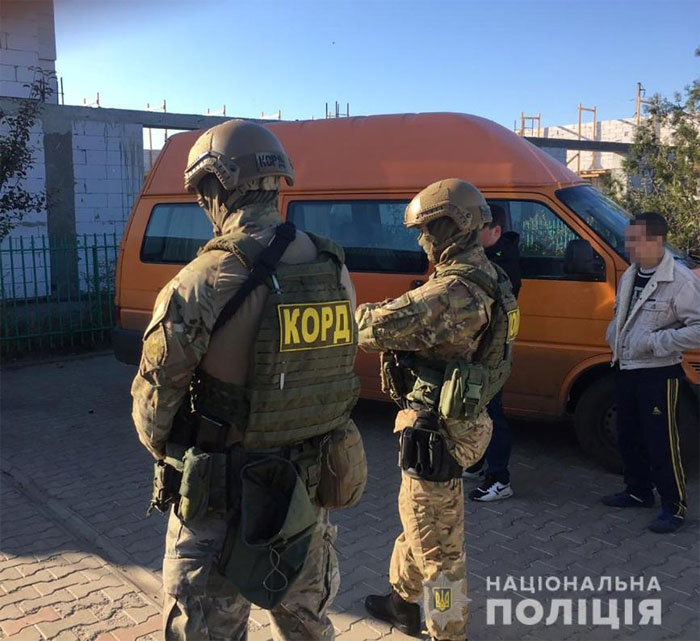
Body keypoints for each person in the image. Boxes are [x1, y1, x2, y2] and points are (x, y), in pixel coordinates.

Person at [131, 119, 365, 640]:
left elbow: (152, 410)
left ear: (216, 187)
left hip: (223, 501)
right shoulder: (333, 267)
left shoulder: (203, 279)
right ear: (277, 182)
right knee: (307, 629)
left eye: (201, 192)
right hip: (305, 499)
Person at [356, 179, 518, 641]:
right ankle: (402, 602)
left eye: (428, 229)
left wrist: (358, 308)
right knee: (422, 522)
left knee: (442, 555)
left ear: (454, 226)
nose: (422, 240)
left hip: (437, 432)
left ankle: (447, 629)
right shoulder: (489, 274)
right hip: (463, 423)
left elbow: (371, 330)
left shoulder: (452, 291)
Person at [602, 212, 700, 534]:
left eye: (635, 240)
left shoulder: (680, 280)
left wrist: (657, 342)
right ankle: (637, 491)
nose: (628, 246)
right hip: (626, 367)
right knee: (628, 435)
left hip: (658, 374)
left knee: (662, 443)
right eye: (628, 239)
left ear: (657, 241)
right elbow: (622, 314)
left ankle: (674, 507)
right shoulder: (631, 273)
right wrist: (614, 333)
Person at [464, 204, 521, 502]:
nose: (471, 234)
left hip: (492, 353)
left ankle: (499, 479)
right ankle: (477, 463)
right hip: (483, 350)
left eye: (478, 229)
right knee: (477, 410)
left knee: (492, 414)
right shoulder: (490, 257)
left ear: (495, 230)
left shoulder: (501, 265)